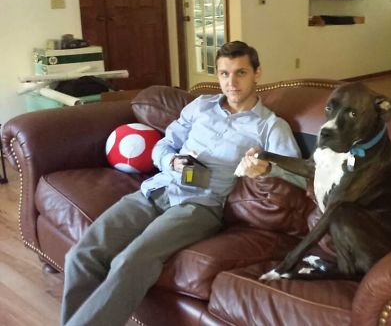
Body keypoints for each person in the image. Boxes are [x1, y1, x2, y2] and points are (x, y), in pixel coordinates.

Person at [61, 41, 303, 326]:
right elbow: (164, 145)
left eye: (240, 73)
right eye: (224, 74)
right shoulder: (201, 106)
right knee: (81, 255)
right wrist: (171, 162)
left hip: (198, 206)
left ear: (257, 74)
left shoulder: (271, 126)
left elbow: (297, 175)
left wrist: (266, 169)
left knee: (130, 262)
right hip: (157, 189)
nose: (231, 82)